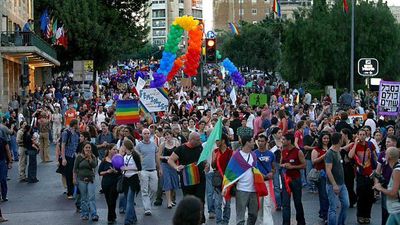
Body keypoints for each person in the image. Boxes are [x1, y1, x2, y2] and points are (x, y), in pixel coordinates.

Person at [222, 135, 268, 225]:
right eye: (252, 141)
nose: (254, 143)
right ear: (247, 142)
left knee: (253, 214)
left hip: (254, 190)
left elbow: (256, 170)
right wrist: (226, 186)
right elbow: (229, 172)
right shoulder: (236, 156)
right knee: (240, 217)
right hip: (241, 190)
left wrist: (263, 176)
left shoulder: (253, 155)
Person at [168, 132, 207, 224]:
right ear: (191, 140)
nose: (200, 141)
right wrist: (176, 167)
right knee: (188, 201)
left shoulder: (200, 147)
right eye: (198, 140)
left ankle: (200, 219)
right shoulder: (181, 149)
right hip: (187, 179)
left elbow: (203, 159)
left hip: (200, 178)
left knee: (201, 199)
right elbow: (170, 160)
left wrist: (206, 164)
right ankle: (188, 220)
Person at [348, 129, 377, 224]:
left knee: (369, 196)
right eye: (360, 134)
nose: (362, 136)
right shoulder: (354, 145)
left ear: (366, 135)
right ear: (357, 135)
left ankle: (367, 216)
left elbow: (374, 157)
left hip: (369, 174)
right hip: (360, 174)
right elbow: (350, 155)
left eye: (363, 134)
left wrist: (376, 170)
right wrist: (355, 144)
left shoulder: (370, 145)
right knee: (361, 196)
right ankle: (360, 215)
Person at [281, 133, 306, 225]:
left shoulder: (298, 152)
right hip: (286, 180)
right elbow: (281, 163)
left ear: (289, 141)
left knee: (297, 202)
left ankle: (301, 222)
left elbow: (304, 165)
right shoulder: (282, 151)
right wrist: (283, 165)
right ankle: (286, 222)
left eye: (283, 139)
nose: (282, 141)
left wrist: (292, 167)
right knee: (285, 203)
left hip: (296, 179)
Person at [325, 132, 349, 225]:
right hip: (333, 185)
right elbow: (328, 170)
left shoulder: (338, 150)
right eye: (342, 138)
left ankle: (341, 223)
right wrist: (334, 184)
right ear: (339, 140)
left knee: (346, 204)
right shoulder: (330, 153)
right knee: (333, 208)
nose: (343, 140)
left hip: (342, 184)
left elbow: (344, 147)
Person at [374, 135, 398, 225]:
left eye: (388, 142)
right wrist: (376, 185)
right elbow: (378, 170)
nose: (386, 143)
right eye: (386, 142)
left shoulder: (397, 154)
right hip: (385, 184)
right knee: (385, 209)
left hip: (396, 185)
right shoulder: (383, 154)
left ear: (394, 143)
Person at [136, 128, 160, 216]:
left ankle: (148, 203)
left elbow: (157, 157)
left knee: (154, 189)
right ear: (142, 135)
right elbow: (136, 157)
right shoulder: (139, 145)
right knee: (144, 190)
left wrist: (159, 168)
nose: (146, 135)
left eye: (148, 133)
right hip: (143, 170)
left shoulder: (154, 145)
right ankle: (147, 208)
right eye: (145, 133)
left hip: (153, 169)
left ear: (150, 134)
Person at [73, 141, 99, 221]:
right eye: (86, 148)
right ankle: (85, 214)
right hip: (81, 179)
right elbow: (75, 169)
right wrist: (74, 179)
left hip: (90, 179)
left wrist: (90, 158)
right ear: (83, 149)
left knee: (91, 197)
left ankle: (94, 214)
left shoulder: (93, 156)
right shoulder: (79, 157)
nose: (88, 149)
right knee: (84, 198)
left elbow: (94, 165)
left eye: (89, 148)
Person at [212, 133, 233, 225]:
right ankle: (219, 222)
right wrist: (214, 159)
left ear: (223, 140)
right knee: (218, 203)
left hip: (227, 180)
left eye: (218, 140)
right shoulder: (215, 152)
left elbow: (233, 167)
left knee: (227, 204)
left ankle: (226, 221)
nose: (216, 142)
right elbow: (213, 166)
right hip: (218, 179)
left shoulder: (231, 152)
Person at [254, 134, 275, 225]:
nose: (260, 143)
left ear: (266, 142)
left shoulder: (271, 154)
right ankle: (258, 223)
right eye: (259, 141)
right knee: (258, 205)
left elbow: (273, 167)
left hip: (267, 183)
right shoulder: (254, 154)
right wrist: (260, 175)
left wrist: (272, 173)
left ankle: (268, 223)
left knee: (267, 204)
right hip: (257, 182)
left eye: (262, 141)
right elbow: (252, 168)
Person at [121, 139, 142, 225]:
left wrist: (127, 168)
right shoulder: (125, 156)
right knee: (127, 199)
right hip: (126, 179)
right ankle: (133, 217)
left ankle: (128, 220)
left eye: (123, 145)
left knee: (129, 200)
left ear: (126, 146)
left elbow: (139, 168)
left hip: (133, 178)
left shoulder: (135, 155)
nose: (122, 147)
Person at [311, 132, 330, 222]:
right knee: (323, 195)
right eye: (324, 138)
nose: (326, 140)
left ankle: (323, 212)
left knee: (329, 195)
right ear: (321, 139)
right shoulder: (316, 149)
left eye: (327, 138)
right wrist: (323, 156)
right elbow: (313, 161)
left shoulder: (331, 148)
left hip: (331, 173)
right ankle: (325, 214)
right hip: (321, 174)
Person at [98, 144, 120, 224]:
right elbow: (100, 172)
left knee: (112, 199)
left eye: (116, 150)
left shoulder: (118, 159)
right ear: (109, 150)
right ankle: (112, 214)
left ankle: (110, 217)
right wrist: (107, 171)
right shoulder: (104, 161)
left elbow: (121, 171)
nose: (115, 151)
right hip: (106, 183)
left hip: (115, 182)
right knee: (108, 200)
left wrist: (116, 171)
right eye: (114, 149)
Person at [158, 130, 179, 208]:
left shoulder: (176, 144)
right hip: (165, 165)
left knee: (174, 183)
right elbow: (158, 156)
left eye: (168, 135)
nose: (167, 137)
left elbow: (180, 153)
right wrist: (165, 157)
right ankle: (169, 202)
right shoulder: (162, 145)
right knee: (167, 182)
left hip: (173, 165)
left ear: (171, 135)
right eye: (165, 135)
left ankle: (172, 200)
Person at [61, 119, 80, 199]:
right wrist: (63, 158)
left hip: (75, 155)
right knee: (69, 174)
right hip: (68, 155)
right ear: (75, 124)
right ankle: (70, 192)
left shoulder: (76, 133)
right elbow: (63, 145)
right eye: (77, 124)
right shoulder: (66, 132)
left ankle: (75, 191)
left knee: (76, 173)